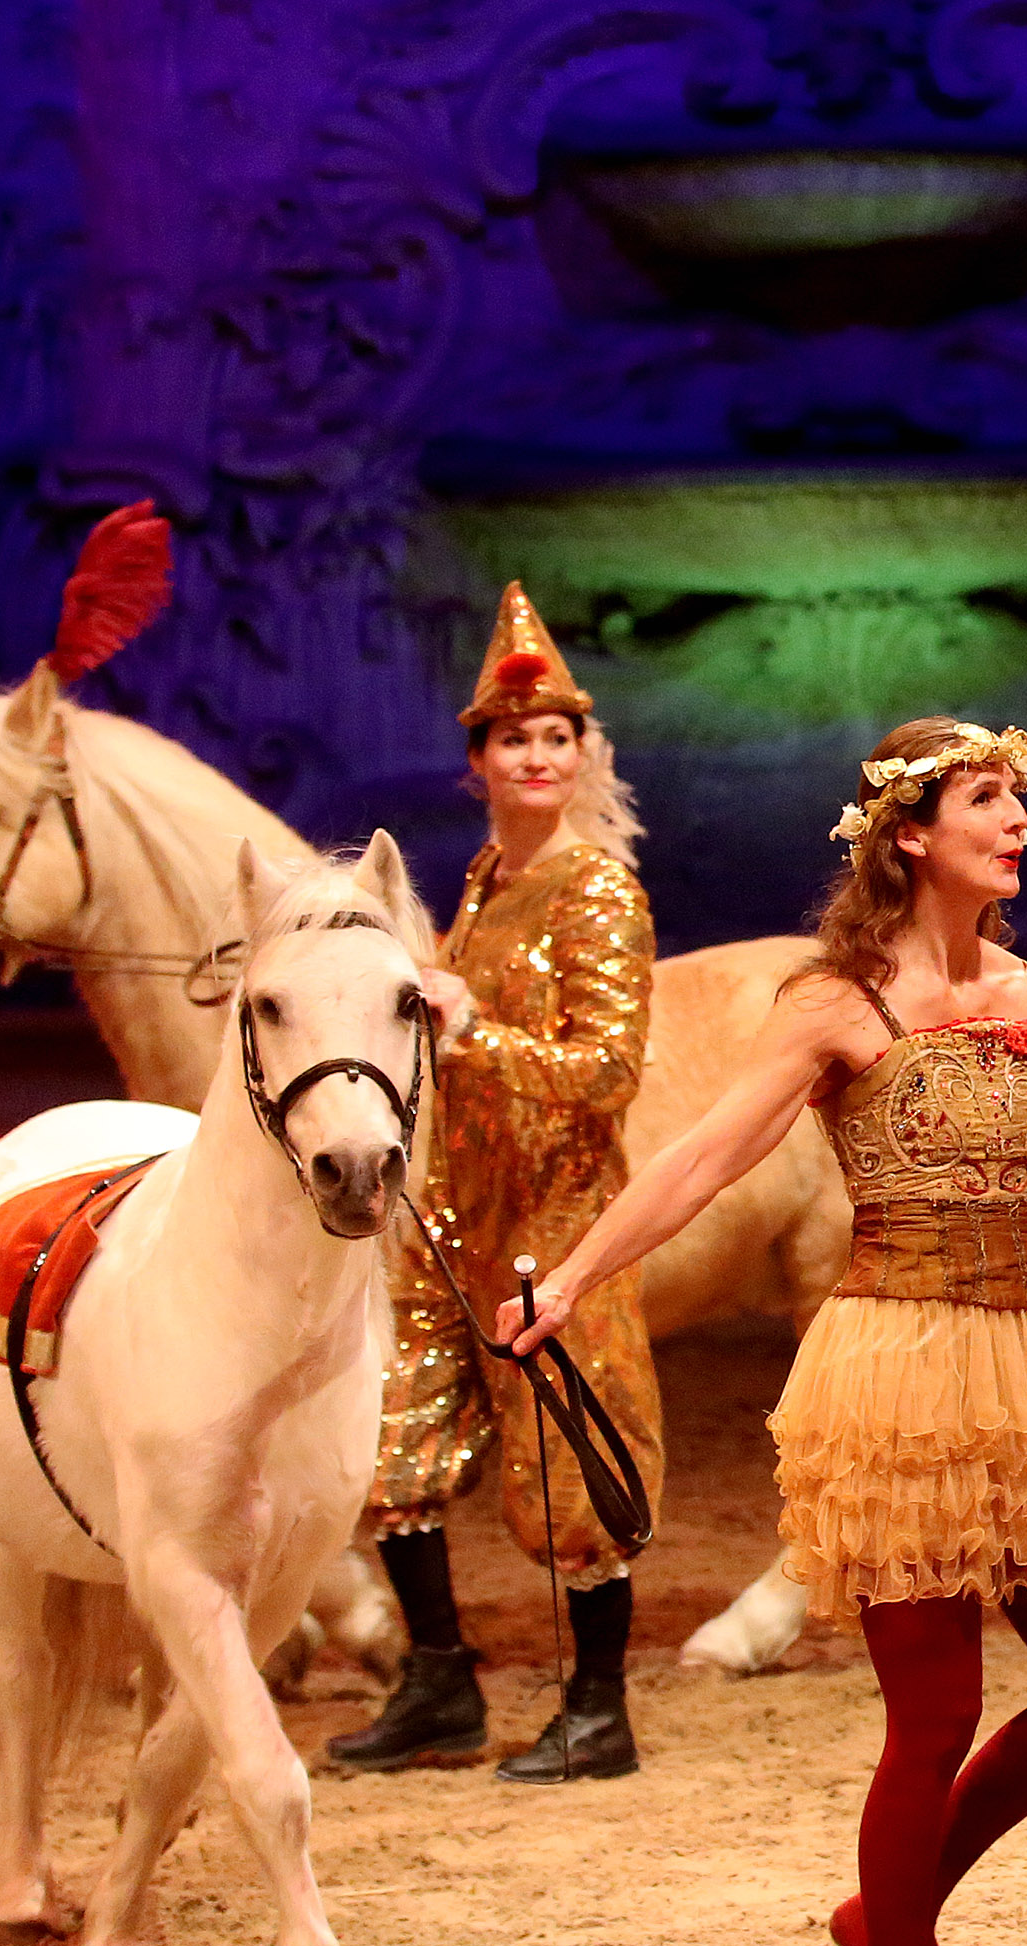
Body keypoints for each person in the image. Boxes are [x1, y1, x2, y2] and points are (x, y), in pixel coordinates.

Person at [501, 714, 1027, 1946]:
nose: (1017, 819)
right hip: (893, 1371)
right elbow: (701, 1157)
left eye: (1018, 797)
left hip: (1021, 1369)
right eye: (987, 799)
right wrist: (575, 1277)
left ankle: (890, 1909)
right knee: (936, 1712)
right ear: (910, 835)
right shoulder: (836, 1001)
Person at [329, 584, 669, 1785]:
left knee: (567, 1460)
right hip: (454, 1211)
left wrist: (467, 1032)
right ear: (479, 760)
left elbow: (606, 1074)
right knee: (395, 1444)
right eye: (514, 738)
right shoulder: (478, 877)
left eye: (556, 737)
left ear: (582, 757)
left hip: (556, 1221)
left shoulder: (597, 891)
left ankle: (598, 1707)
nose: (537, 754)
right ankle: (437, 1683)